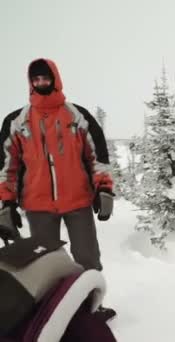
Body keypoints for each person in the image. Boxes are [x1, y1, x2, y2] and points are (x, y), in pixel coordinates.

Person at [0, 58, 116, 319]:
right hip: (38, 205)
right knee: (44, 263)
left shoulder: (77, 116)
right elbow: (7, 167)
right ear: (31, 83)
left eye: (45, 78)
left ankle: (90, 307)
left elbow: (97, 156)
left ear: (55, 78)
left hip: (78, 201)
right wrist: (6, 203)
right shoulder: (17, 122)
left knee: (87, 257)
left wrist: (104, 189)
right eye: (36, 80)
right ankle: (50, 313)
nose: (41, 83)